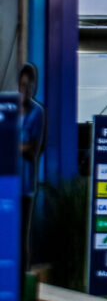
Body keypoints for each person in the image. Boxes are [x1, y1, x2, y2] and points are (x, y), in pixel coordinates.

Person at [18, 64, 45, 275]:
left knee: (21, 235)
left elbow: (33, 148)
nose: (26, 90)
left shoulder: (37, 112)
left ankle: (21, 279)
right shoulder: (7, 109)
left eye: (30, 85)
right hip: (5, 183)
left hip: (25, 186)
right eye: (23, 85)